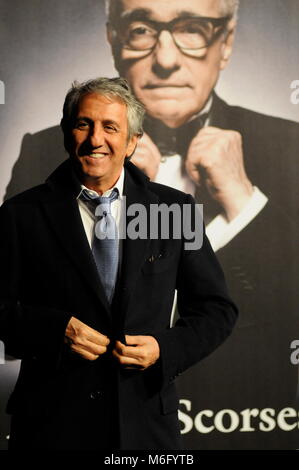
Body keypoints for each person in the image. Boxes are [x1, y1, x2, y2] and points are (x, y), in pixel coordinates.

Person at [0, 77, 237, 450]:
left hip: (144, 429)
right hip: (50, 428)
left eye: (110, 127)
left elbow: (216, 309)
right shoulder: (20, 214)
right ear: (67, 134)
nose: (96, 139)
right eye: (84, 124)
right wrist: (55, 330)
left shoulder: (176, 211)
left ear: (131, 142)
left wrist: (164, 348)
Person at [105, 0, 299, 449]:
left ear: (226, 42)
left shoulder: (291, 145)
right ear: (113, 39)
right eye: (140, 29)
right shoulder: (46, 151)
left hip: (246, 425)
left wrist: (245, 203)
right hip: (115, 425)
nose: (167, 59)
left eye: (192, 28)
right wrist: (116, 196)